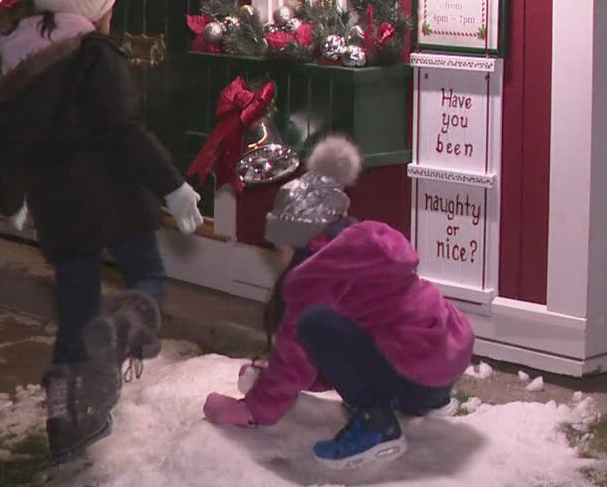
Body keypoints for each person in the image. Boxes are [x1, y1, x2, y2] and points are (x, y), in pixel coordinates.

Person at [0, 0, 204, 459]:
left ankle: (66, 418)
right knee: (147, 276)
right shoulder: (96, 56)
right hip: (114, 191)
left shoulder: (18, 63)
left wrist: (10, 200)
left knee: (75, 307)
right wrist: (173, 185)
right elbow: (124, 129)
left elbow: (2, 142)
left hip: (57, 203)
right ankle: (125, 327)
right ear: (92, 13)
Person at [202, 138, 474, 471]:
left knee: (314, 324)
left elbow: (296, 356)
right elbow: (350, 349)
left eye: (280, 247)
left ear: (298, 241)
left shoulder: (315, 276)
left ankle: (377, 426)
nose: (278, 256)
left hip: (414, 382)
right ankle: (422, 400)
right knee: (328, 327)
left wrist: (251, 410)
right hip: (439, 370)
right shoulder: (361, 250)